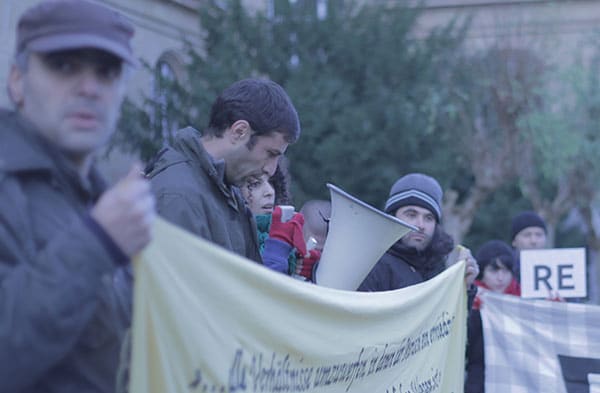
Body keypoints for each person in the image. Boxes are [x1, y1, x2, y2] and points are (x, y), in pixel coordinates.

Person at [0, 1, 155, 392]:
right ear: (17, 81)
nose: (89, 88)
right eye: (64, 66)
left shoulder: (101, 200)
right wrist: (97, 242)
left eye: (106, 72)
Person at [146, 78, 301, 263]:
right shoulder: (177, 195)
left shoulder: (227, 188)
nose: (272, 169)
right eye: (270, 153)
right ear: (239, 132)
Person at [358, 173, 479, 292]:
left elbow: (446, 312)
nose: (420, 225)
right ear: (392, 217)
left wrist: (464, 289)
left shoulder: (437, 270)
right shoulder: (371, 267)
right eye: (411, 215)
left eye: (428, 218)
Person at [465, 240, 521, 393]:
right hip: (480, 382)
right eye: (494, 271)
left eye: (506, 271)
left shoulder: (524, 300)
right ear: (482, 272)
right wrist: (474, 311)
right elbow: (463, 347)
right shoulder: (468, 299)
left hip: (519, 381)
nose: (501, 278)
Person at [510, 210, 548, 280]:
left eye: (538, 235)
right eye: (527, 235)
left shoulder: (557, 266)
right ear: (514, 241)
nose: (533, 241)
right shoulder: (505, 271)